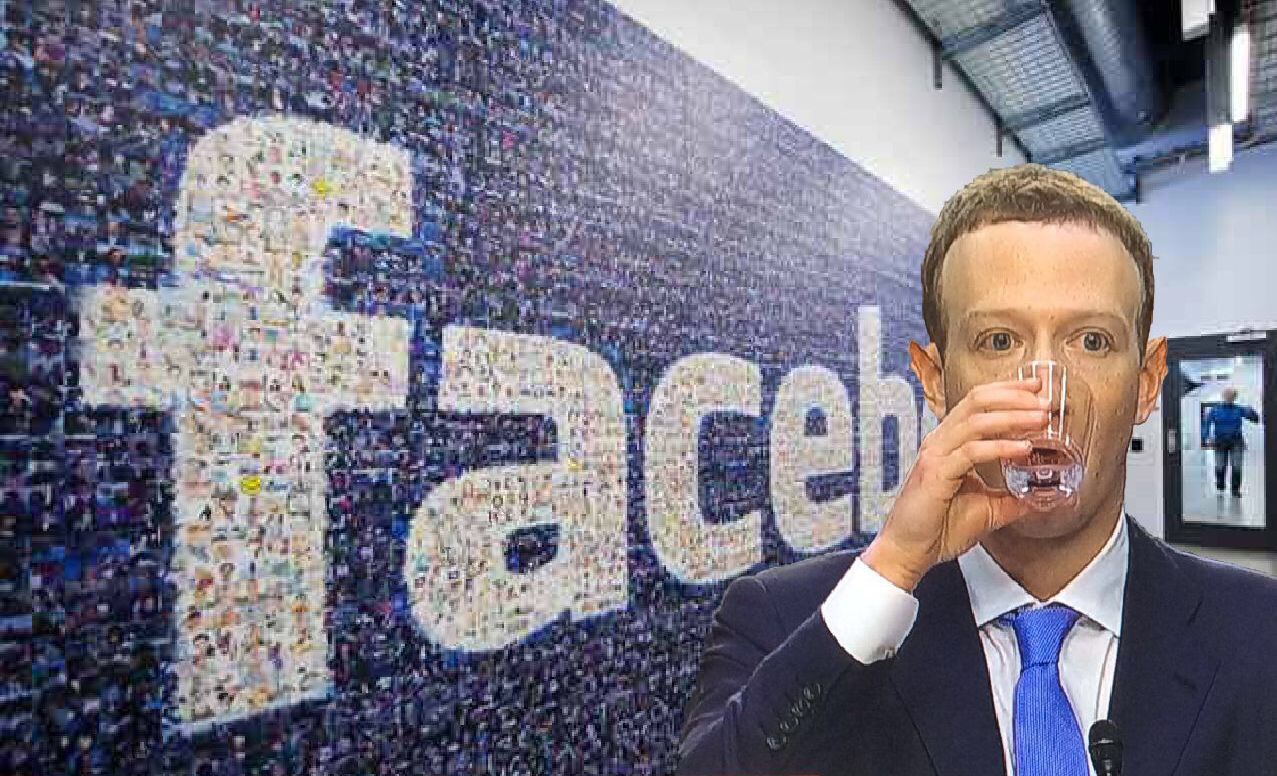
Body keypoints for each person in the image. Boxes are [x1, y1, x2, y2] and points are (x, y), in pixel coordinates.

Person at [676, 165, 1277, 775]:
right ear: (936, 379)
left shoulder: (1261, 634)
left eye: (1092, 341)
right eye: (999, 341)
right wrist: (893, 568)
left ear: (1147, 383)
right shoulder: (783, 619)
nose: (1045, 399)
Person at [1204, 387, 1260, 497]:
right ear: (1223, 396)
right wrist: (1207, 437)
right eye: (1227, 396)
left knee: (1237, 466)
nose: (1229, 398)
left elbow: (1255, 419)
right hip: (1220, 441)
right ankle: (1220, 484)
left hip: (1236, 441)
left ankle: (1235, 490)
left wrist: (1252, 411)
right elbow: (1206, 424)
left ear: (1235, 398)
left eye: (1232, 396)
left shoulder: (1239, 409)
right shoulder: (1214, 410)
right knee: (1220, 466)